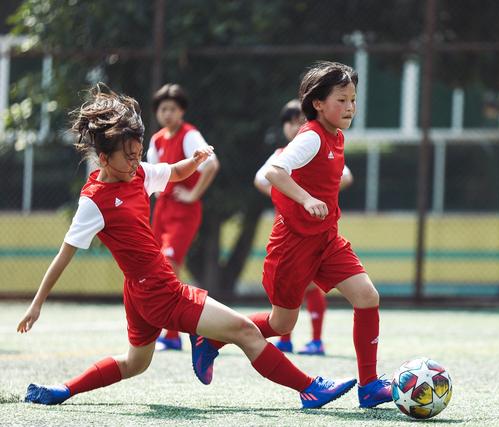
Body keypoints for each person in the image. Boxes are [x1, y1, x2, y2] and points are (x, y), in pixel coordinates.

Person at [16, 84, 356, 409]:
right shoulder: (93, 202)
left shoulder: (136, 174)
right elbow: (64, 256)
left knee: (136, 363)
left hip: (142, 290)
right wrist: (36, 304)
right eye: (128, 157)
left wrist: (194, 160)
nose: (136, 162)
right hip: (158, 291)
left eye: (138, 155)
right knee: (245, 331)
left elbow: (173, 172)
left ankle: (61, 390)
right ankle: (310, 388)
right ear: (103, 159)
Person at [203, 61, 392, 408]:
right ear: (318, 103)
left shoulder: (337, 136)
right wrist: (305, 199)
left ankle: (369, 386)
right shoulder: (310, 137)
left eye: (353, 99)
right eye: (342, 100)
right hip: (293, 246)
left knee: (367, 296)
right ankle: (213, 339)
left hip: (327, 240)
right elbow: (275, 171)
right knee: (282, 321)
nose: (350, 107)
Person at [254, 99, 353, 356]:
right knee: (287, 300)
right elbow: (263, 178)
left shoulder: (322, 142)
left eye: (300, 120)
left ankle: (316, 340)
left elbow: (346, 175)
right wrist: (293, 197)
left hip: (320, 231)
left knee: (316, 286)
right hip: (290, 231)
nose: (296, 125)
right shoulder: (282, 155)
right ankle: (283, 339)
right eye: (290, 121)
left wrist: (322, 195)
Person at [147, 83, 220, 351]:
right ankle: (164, 328)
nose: (167, 114)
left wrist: (193, 195)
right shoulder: (156, 140)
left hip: (184, 211)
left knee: (169, 262)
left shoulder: (190, 136)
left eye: (172, 109)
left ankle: (173, 333)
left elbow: (211, 165)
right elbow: (151, 174)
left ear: (182, 111)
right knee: (157, 267)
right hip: (163, 211)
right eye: (163, 109)